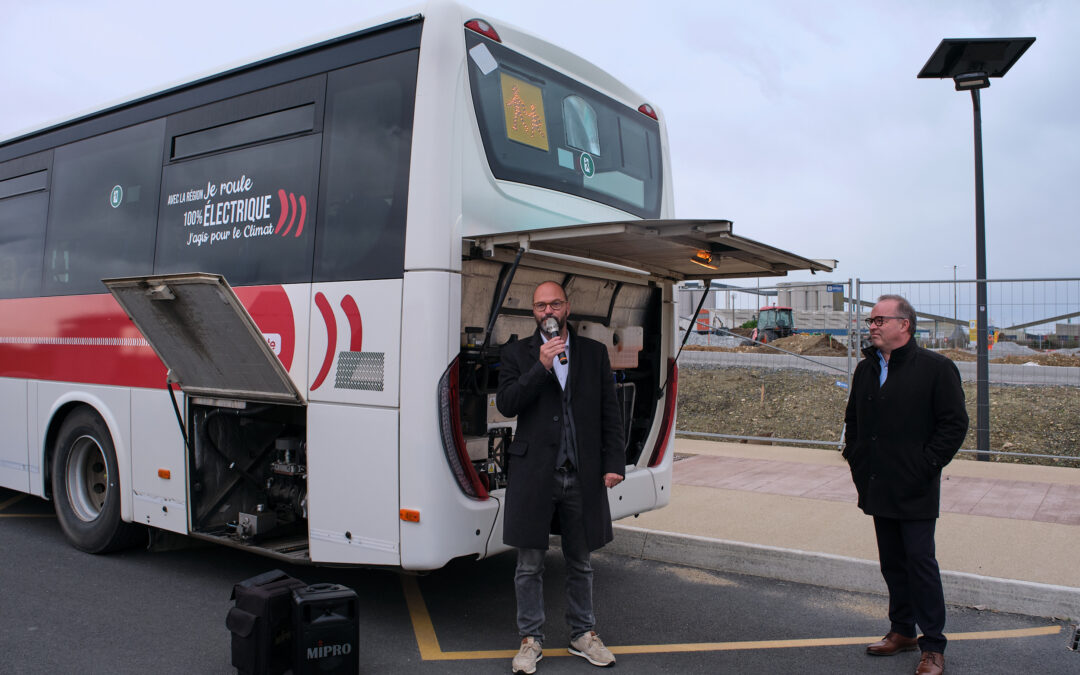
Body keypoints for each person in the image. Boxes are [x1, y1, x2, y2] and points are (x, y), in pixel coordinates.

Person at [496, 280, 626, 673]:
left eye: (554, 305)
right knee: (529, 564)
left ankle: (582, 634)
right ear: (533, 313)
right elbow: (506, 404)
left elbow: (609, 411)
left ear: (567, 308)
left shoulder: (593, 353)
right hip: (535, 472)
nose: (548, 312)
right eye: (540, 307)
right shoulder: (518, 354)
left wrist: (614, 462)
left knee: (581, 562)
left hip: (580, 473)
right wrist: (541, 366)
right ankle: (530, 639)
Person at [843, 295, 968, 675]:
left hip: (915, 486)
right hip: (878, 483)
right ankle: (902, 631)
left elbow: (954, 424)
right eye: (871, 320)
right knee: (893, 564)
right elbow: (854, 419)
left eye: (880, 319)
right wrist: (856, 458)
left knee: (920, 563)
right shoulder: (866, 369)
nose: (872, 326)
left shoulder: (936, 368)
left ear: (905, 324)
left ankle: (933, 646)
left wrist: (926, 464)